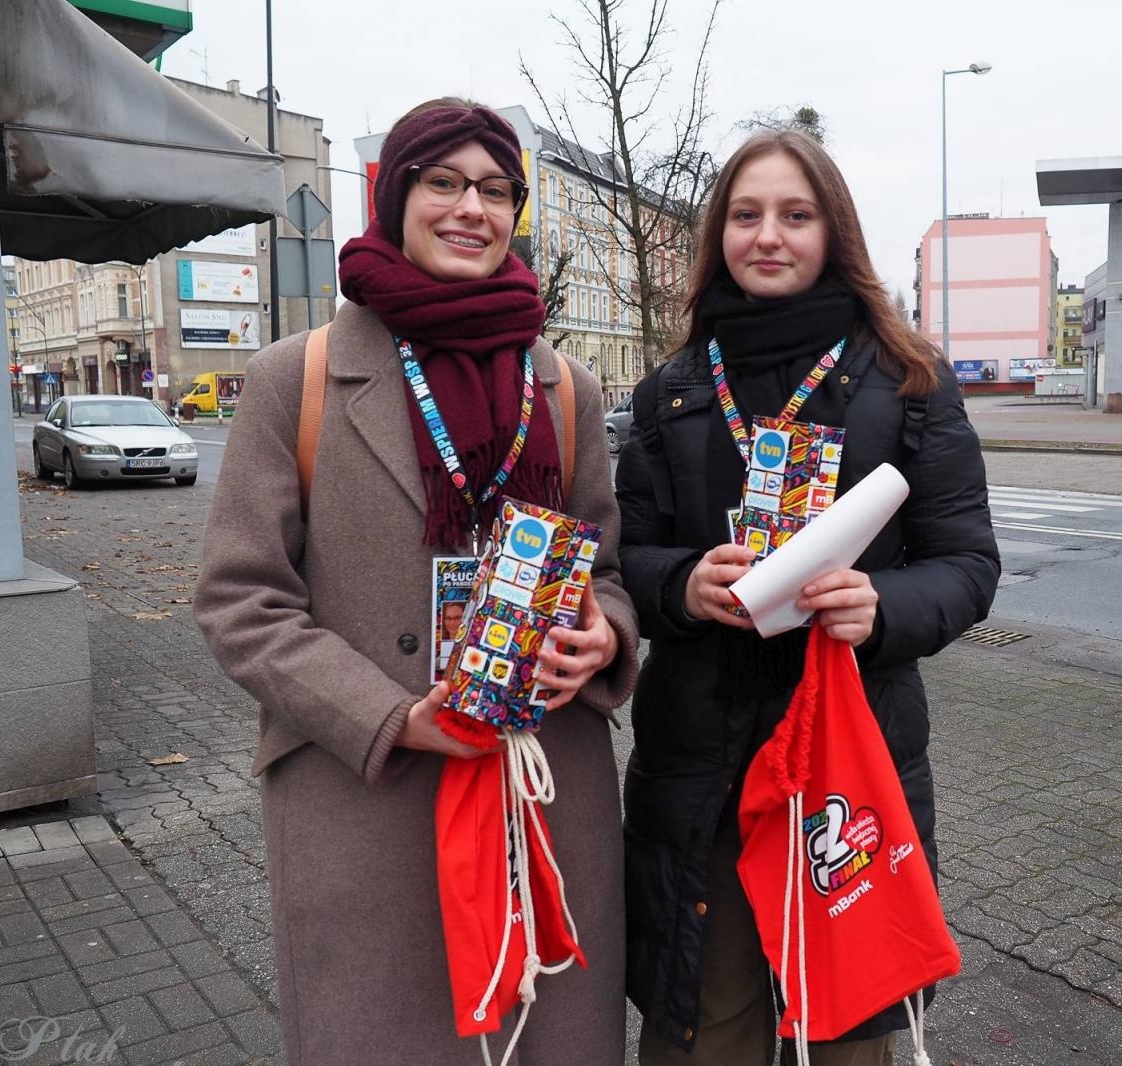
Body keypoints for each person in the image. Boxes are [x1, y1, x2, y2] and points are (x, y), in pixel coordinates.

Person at [195, 99, 638, 1065]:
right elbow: (241, 600)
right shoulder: (295, 378)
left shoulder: (563, 385)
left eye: (493, 189)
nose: (469, 208)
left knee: (546, 1033)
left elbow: (604, 572)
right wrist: (392, 719)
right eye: (442, 182)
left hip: (540, 785)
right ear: (395, 195)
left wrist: (604, 635)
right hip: (368, 797)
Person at [616, 130, 1000, 1065]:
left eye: (796, 214)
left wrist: (882, 607)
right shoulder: (672, 391)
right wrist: (679, 583)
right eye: (746, 215)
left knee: (846, 1031)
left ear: (835, 230)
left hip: (848, 766)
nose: (769, 236)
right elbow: (626, 553)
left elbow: (966, 564)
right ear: (720, 235)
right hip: (702, 764)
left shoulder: (909, 382)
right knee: (707, 1024)